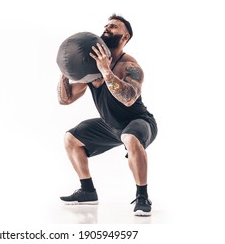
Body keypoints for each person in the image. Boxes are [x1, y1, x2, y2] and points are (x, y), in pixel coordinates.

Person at [57, 14, 158, 216]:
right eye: (106, 25)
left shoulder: (129, 66)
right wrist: (67, 71)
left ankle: (142, 197)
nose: (107, 28)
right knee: (71, 138)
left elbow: (128, 98)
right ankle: (87, 191)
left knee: (130, 137)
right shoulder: (91, 69)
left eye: (113, 26)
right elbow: (65, 100)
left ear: (125, 36)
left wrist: (106, 71)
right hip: (111, 126)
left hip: (139, 122)